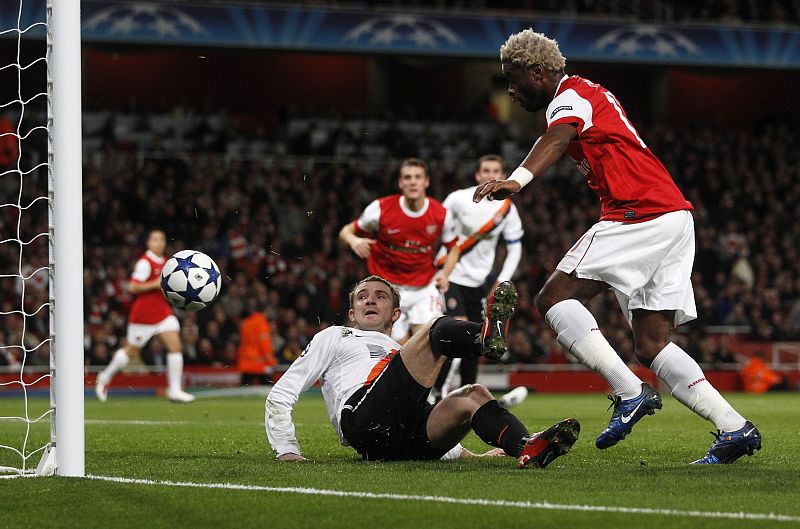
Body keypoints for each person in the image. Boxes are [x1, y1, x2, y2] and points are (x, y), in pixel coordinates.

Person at [473, 29, 761, 465]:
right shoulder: (584, 94)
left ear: (537, 71)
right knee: (652, 344)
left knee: (553, 297)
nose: (510, 91)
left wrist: (516, 179)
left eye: (514, 80)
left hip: (639, 213)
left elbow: (556, 139)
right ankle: (735, 428)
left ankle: (630, 392)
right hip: (673, 217)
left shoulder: (570, 95)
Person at [265, 275, 580, 468]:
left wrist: (468, 456)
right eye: (362, 297)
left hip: (402, 439)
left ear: (396, 313)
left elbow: (414, 408)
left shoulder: (398, 353)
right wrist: (287, 450)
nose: (369, 300)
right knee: (435, 328)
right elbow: (283, 391)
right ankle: (484, 340)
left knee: (473, 395)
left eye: (380, 296)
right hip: (363, 420)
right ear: (352, 313)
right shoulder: (336, 335)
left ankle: (526, 446)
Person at [431, 154, 526, 403]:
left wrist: (502, 279)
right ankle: (436, 394)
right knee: (454, 332)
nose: (490, 175)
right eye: (485, 170)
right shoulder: (457, 199)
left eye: (495, 170)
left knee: (477, 340)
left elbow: (515, 247)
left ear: (502, 175)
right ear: (477, 175)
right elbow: (435, 230)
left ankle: (467, 397)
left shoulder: (507, 209)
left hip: (480, 284)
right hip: (450, 277)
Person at [339, 158, 457, 343]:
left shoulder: (441, 214)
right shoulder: (380, 209)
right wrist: (354, 240)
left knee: (430, 343)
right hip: (389, 288)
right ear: (400, 183)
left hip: (423, 288)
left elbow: (454, 248)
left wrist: (445, 274)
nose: (412, 182)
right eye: (407, 177)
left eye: (417, 177)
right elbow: (345, 231)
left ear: (426, 181)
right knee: (397, 350)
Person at [95, 229, 195, 403]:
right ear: (148, 243)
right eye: (154, 239)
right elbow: (133, 287)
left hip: (163, 313)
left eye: (161, 239)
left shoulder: (166, 262)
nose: (158, 243)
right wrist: (155, 283)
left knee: (176, 347)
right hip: (144, 316)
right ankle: (105, 376)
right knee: (131, 352)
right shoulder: (145, 262)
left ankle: (174, 390)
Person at [237, 300, 277, 386]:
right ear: (267, 310)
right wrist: (272, 362)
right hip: (259, 364)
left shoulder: (245, 323)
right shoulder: (262, 324)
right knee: (268, 391)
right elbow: (264, 345)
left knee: (244, 391)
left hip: (245, 362)